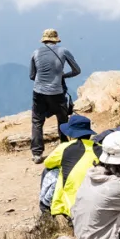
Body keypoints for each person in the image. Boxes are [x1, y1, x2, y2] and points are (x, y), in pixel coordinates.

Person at [29, 29, 81, 164]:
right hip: (57, 92)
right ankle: (64, 148)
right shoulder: (63, 51)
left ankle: (37, 153)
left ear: (44, 39)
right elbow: (77, 70)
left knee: (37, 122)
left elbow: (32, 76)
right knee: (62, 120)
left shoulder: (35, 52)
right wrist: (62, 75)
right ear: (56, 39)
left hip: (38, 92)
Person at [43, 115, 100, 220]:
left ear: (71, 134)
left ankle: (45, 210)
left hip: (71, 207)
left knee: (48, 171)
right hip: (98, 204)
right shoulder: (100, 149)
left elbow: (48, 163)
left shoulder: (64, 147)